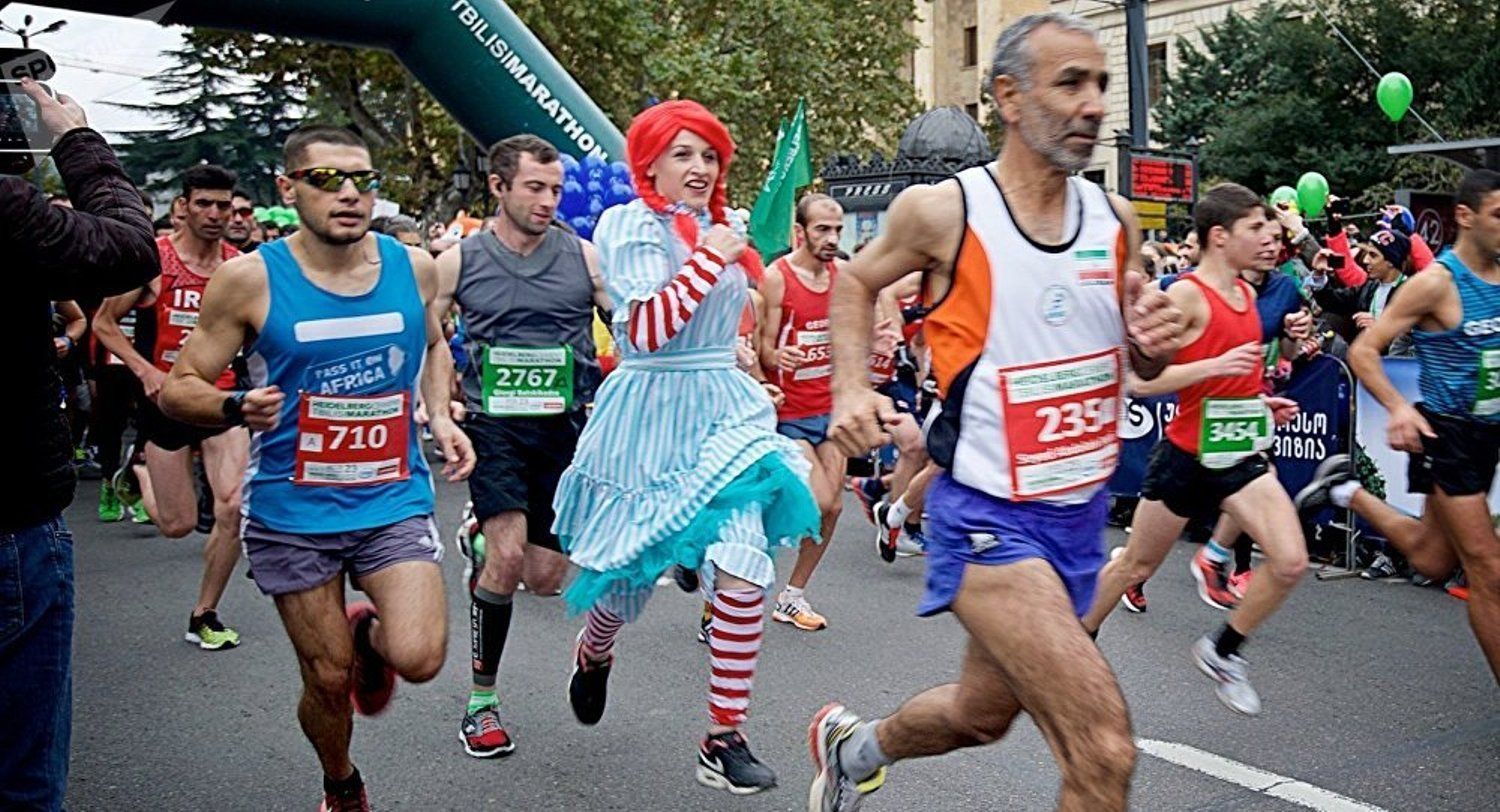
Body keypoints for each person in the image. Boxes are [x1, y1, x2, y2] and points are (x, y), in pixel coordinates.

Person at [807, 15, 1181, 810]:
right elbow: (855, 283)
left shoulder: (1115, 220)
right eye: (1070, 83)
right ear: (1009, 97)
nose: (1092, 104)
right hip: (987, 518)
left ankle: (855, 748)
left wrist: (1150, 344)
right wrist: (849, 389)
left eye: (1100, 85)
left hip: (1077, 521)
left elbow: (1138, 357)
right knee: (1102, 748)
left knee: (980, 717)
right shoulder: (946, 212)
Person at [159, 124, 475, 811]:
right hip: (292, 510)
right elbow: (179, 387)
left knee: (420, 657)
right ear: (288, 187)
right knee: (329, 680)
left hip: (391, 497)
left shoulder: (413, 267)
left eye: (362, 179)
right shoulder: (248, 280)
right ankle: (341, 781)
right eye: (327, 179)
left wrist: (441, 413)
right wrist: (235, 405)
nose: (349, 193)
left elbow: (434, 345)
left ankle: (368, 638)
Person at [553, 100, 819, 795]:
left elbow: (722, 322)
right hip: (649, 414)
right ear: (650, 164)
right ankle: (594, 651)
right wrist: (708, 258)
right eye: (683, 154)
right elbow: (646, 331)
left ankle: (723, 735)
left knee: (744, 564)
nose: (700, 167)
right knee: (627, 577)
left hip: (721, 411)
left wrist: (747, 355)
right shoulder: (628, 225)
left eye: (709, 155)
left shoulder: (721, 228)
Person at [1084, 184, 1305, 717]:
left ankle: (1223, 651)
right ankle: (1074, 643)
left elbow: (1234, 384)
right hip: (1185, 457)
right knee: (1135, 566)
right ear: (1220, 236)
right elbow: (1140, 381)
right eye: (1256, 227)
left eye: (1269, 227)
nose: (1269, 237)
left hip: (1237, 453)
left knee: (1290, 560)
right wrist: (1214, 367)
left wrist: (1261, 404)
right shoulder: (1184, 295)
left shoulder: (1247, 294)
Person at [0, 78, 159, 812]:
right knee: (20, 779)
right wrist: (75, 140)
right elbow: (129, 250)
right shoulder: (7, 207)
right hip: (11, 521)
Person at [432, 133, 610, 758]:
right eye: (535, 187)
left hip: (564, 428)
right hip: (494, 425)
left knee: (546, 579)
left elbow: (633, 328)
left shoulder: (583, 257)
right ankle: (481, 704)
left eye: (556, 189)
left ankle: (479, 539)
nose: (548, 200)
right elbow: (428, 335)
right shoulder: (459, 261)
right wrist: (439, 410)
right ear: (498, 186)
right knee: (507, 563)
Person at [1297, 168, 1500, 681]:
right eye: (1498, 215)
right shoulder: (1435, 284)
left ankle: (1345, 490)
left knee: (1432, 559)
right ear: (1465, 216)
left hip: (1488, 433)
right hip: (1447, 435)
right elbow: (1365, 351)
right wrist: (1399, 407)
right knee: (1487, 569)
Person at [93, 164, 251, 651]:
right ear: (183, 206)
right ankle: (139, 472)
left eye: (223, 205)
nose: (215, 214)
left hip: (221, 399)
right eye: (204, 203)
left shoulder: (240, 268)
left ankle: (205, 612)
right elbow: (103, 324)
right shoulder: (154, 262)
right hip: (167, 403)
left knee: (232, 506)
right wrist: (146, 371)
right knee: (177, 525)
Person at [758, 192, 849, 630]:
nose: (831, 239)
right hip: (790, 412)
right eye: (822, 230)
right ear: (800, 231)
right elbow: (762, 347)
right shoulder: (777, 277)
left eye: (837, 231)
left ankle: (792, 596)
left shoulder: (843, 277)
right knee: (822, 499)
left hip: (830, 409)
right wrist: (779, 357)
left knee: (834, 509)